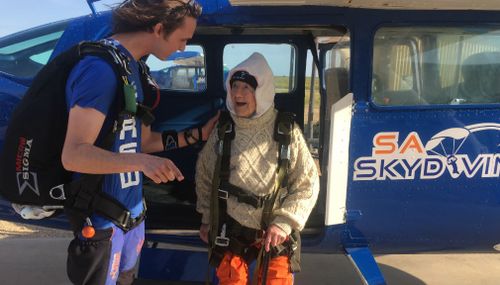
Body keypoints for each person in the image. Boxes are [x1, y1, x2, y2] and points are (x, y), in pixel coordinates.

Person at [60, 1, 217, 284]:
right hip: (103, 220)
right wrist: (142, 163)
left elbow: (143, 142)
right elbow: (74, 155)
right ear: (159, 29)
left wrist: (196, 136)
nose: (183, 48)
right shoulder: (99, 71)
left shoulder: (132, 68)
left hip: (132, 215)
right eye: (183, 39)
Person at [195, 52, 320, 285]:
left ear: (261, 91)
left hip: (275, 229)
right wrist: (207, 218)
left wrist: (284, 222)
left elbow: (308, 183)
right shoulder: (224, 130)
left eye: (246, 87)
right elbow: (204, 174)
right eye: (234, 86)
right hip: (231, 226)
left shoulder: (286, 131)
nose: (238, 93)